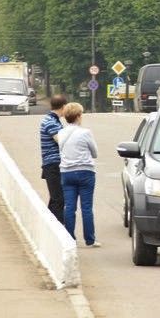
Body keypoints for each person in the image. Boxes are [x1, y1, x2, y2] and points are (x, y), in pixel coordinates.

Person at [58, 102, 100, 247]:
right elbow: (95, 153)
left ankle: (70, 239)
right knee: (86, 207)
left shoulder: (61, 133)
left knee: (69, 207)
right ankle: (90, 239)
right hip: (85, 172)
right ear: (78, 116)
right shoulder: (85, 132)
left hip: (66, 173)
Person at [39, 94, 68, 224]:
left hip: (53, 163)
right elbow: (61, 141)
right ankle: (60, 228)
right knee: (58, 199)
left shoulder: (53, 120)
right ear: (63, 107)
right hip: (53, 164)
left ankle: (48, 225)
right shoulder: (50, 121)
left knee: (55, 198)